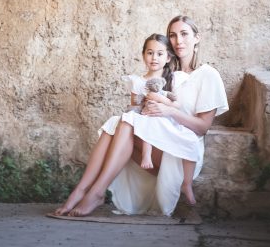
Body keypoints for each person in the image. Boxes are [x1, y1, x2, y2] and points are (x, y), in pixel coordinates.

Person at [54, 15, 228, 217]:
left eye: (184, 34)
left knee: (126, 122)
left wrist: (169, 110)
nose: (178, 41)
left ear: (197, 38)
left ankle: (96, 192)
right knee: (116, 124)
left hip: (181, 153)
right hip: (157, 142)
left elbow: (203, 127)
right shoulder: (165, 72)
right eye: (172, 35)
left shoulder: (207, 74)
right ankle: (82, 191)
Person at [122, 34, 199, 205]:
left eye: (159, 53)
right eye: (150, 53)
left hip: (166, 121)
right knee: (146, 124)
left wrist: (159, 98)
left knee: (191, 141)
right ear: (143, 55)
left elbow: (176, 105)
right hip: (147, 117)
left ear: (168, 57)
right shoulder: (138, 81)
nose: (154, 58)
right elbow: (134, 105)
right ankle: (146, 156)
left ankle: (187, 184)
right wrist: (142, 105)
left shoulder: (172, 79)